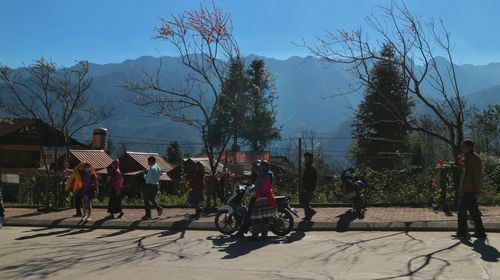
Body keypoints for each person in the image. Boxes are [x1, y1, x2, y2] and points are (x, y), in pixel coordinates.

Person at [453, 139, 486, 239]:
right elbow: (466, 175)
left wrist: (477, 191)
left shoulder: (475, 159)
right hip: (467, 189)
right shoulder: (468, 158)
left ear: (469, 147)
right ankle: (480, 232)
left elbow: (477, 176)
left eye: (464, 146)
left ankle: (463, 232)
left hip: (471, 190)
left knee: (462, 210)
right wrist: (462, 187)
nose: (462, 148)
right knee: (474, 212)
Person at [250, 160, 276, 241]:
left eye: (260, 165)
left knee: (257, 218)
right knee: (266, 218)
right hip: (268, 197)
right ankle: (264, 236)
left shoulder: (262, 175)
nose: (259, 167)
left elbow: (257, 187)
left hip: (260, 198)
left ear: (262, 166)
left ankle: (255, 236)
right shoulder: (270, 174)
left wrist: (250, 190)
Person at [234, 160, 261, 238]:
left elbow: (256, 185)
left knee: (248, 214)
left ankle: (241, 231)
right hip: (260, 195)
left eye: (254, 166)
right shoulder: (260, 173)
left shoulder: (258, 174)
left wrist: (251, 189)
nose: (253, 168)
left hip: (256, 196)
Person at [142, 156, 163, 220]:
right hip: (155, 186)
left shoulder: (151, 168)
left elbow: (147, 180)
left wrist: (144, 175)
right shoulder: (158, 168)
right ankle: (158, 208)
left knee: (146, 200)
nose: (148, 162)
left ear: (151, 161)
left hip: (150, 186)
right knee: (151, 198)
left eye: (148, 161)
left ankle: (148, 215)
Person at [301, 152, 317, 221]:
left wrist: (306, 188)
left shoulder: (310, 168)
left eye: (307, 158)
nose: (305, 159)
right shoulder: (308, 167)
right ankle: (308, 216)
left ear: (310, 158)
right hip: (308, 188)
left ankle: (311, 211)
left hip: (308, 189)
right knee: (305, 202)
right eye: (305, 158)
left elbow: (310, 180)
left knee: (303, 202)